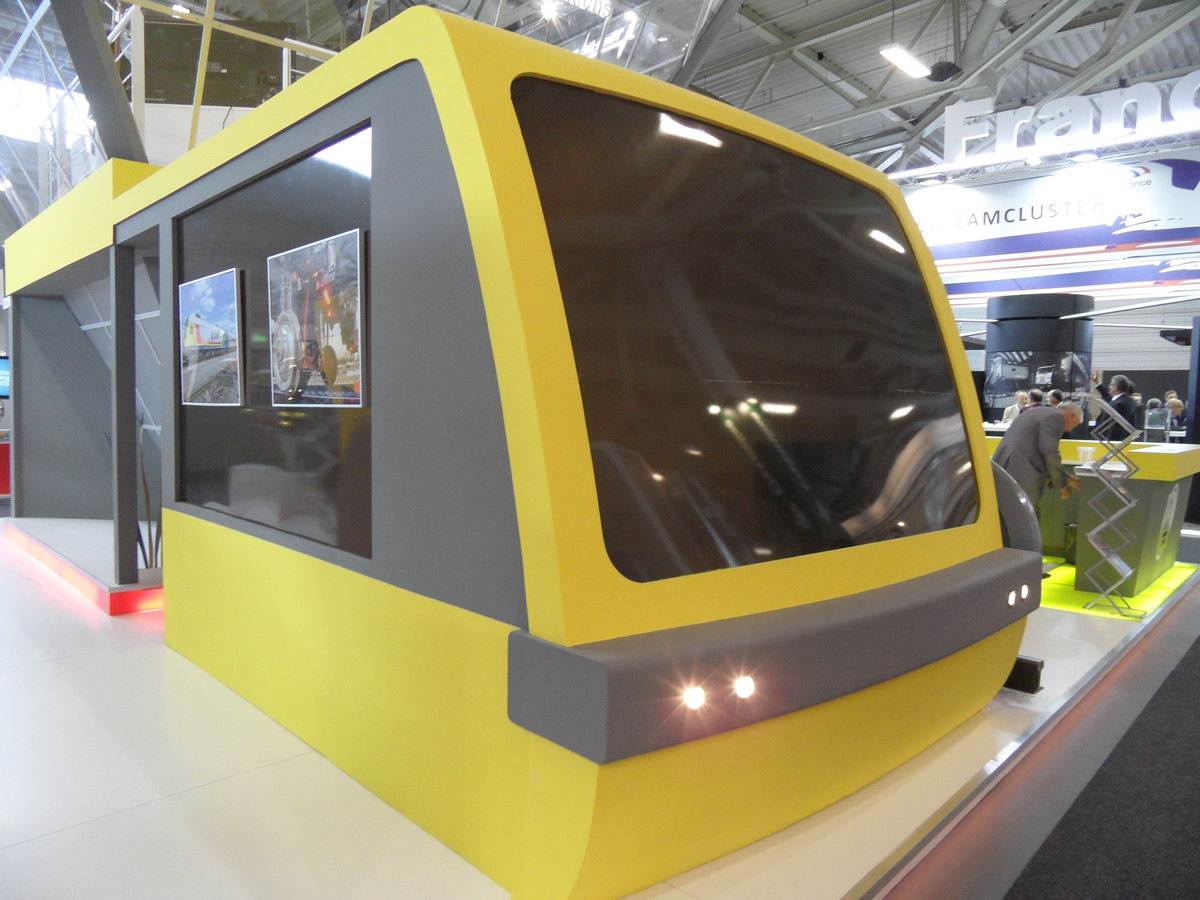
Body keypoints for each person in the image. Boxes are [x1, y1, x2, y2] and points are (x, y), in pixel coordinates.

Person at [993, 402, 1084, 514]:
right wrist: (1062, 484)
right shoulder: (1055, 417)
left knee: (1005, 512)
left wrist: (1066, 477)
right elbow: (1050, 452)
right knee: (1019, 515)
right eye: (1074, 425)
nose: (1069, 430)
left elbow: (1037, 451)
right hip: (1020, 472)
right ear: (1072, 415)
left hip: (1006, 465)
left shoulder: (1039, 411)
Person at [1092, 374, 1139, 439]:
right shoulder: (1120, 400)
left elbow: (1113, 426)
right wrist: (1097, 383)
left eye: (1111, 385)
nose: (1109, 387)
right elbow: (1107, 395)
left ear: (1116, 387)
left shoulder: (1119, 404)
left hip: (1110, 439)